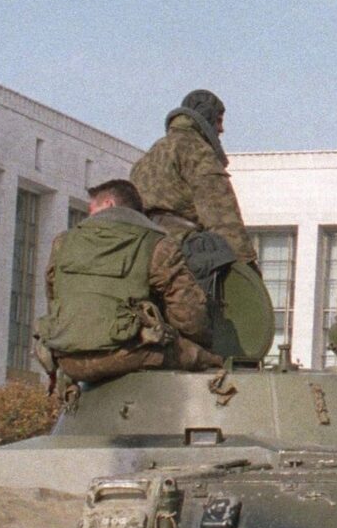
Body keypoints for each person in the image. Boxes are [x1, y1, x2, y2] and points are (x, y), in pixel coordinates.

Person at [34, 179, 221, 385]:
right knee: (214, 362)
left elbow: (53, 296)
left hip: (68, 360)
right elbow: (189, 313)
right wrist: (199, 341)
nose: (89, 216)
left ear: (109, 204)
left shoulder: (63, 242)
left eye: (91, 209)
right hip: (128, 355)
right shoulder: (157, 244)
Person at [130, 89, 256, 267]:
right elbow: (220, 214)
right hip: (184, 254)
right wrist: (246, 264)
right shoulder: (197, 150)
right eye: (219, 120)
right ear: (206, 116)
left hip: (144, 250)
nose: (222, 129)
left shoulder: (151, 153)